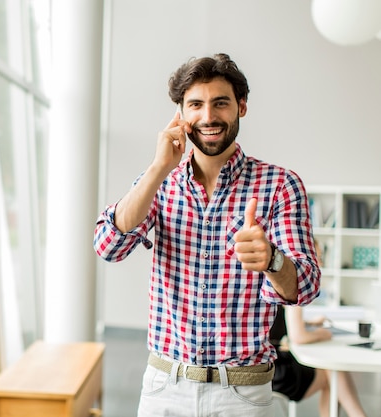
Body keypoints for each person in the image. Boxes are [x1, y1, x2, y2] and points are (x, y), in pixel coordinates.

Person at [92, 53, 321, 417]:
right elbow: (108, 245)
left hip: (243, 394)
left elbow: (305, 286)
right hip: (164, 388)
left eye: (221, 103)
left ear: (241, 107)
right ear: (180, 114)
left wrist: (272, 260)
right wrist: (157, 168)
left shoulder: (280, 185)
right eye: (195, 104)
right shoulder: (160, 181)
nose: (209, 117)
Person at [271, 242, 367, 416]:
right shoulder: (295, 281)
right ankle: (358, 414)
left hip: (271, 367)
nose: (320, 263)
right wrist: (324, 333)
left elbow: (282, 323)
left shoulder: (279, 276)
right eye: (318, 257)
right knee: (333, 373)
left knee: (332, 378)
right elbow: (298, 337)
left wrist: (310, 324)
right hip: (279, 374)